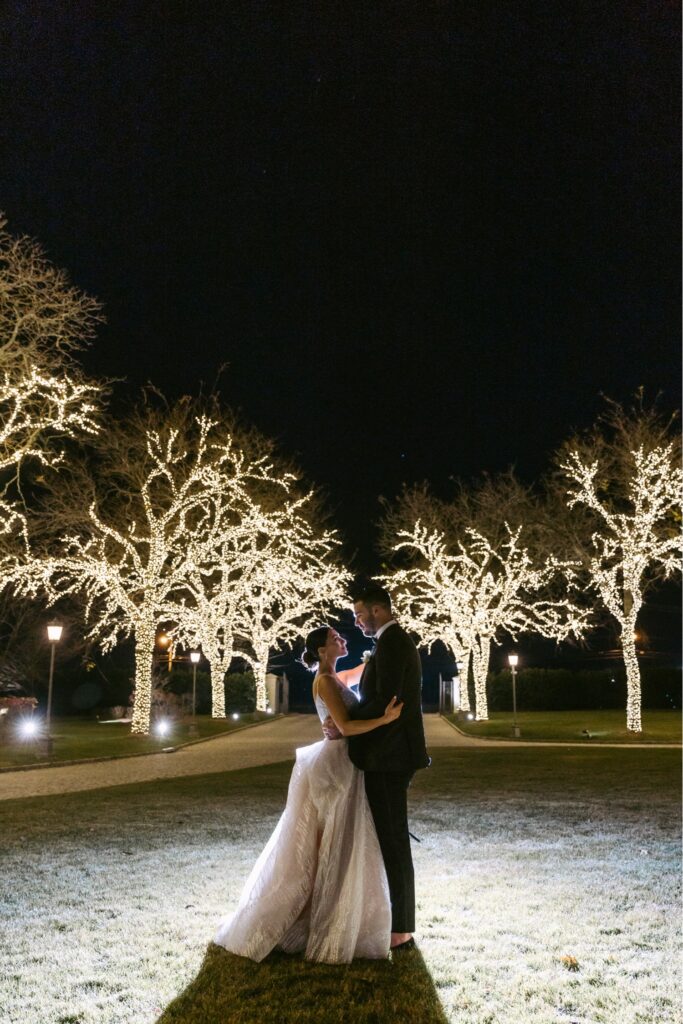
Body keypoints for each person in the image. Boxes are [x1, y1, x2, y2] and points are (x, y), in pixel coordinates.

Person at [214, 625, 403, 964]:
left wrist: (376, 657)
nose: (342, 640)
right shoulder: (327, 681)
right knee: (332, 843)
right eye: (335, 639)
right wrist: (386, 720)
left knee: (334, 842)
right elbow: (344, 727)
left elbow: (363, 675)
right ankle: (325, 921)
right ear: (321, 650)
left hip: (342, 761)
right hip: (336, 766)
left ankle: (331, 914)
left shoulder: (336, 675)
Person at [324, 583, 430, 952]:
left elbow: (384, 700)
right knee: (391, 838)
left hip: (390, 757)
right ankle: (395, 921)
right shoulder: (389, 643)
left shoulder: (395, 642)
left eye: (359, 614)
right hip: (388, 755)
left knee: (394, 840)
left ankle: (401, 929)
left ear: (378, 611)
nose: (356, 621)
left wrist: (345, 722)